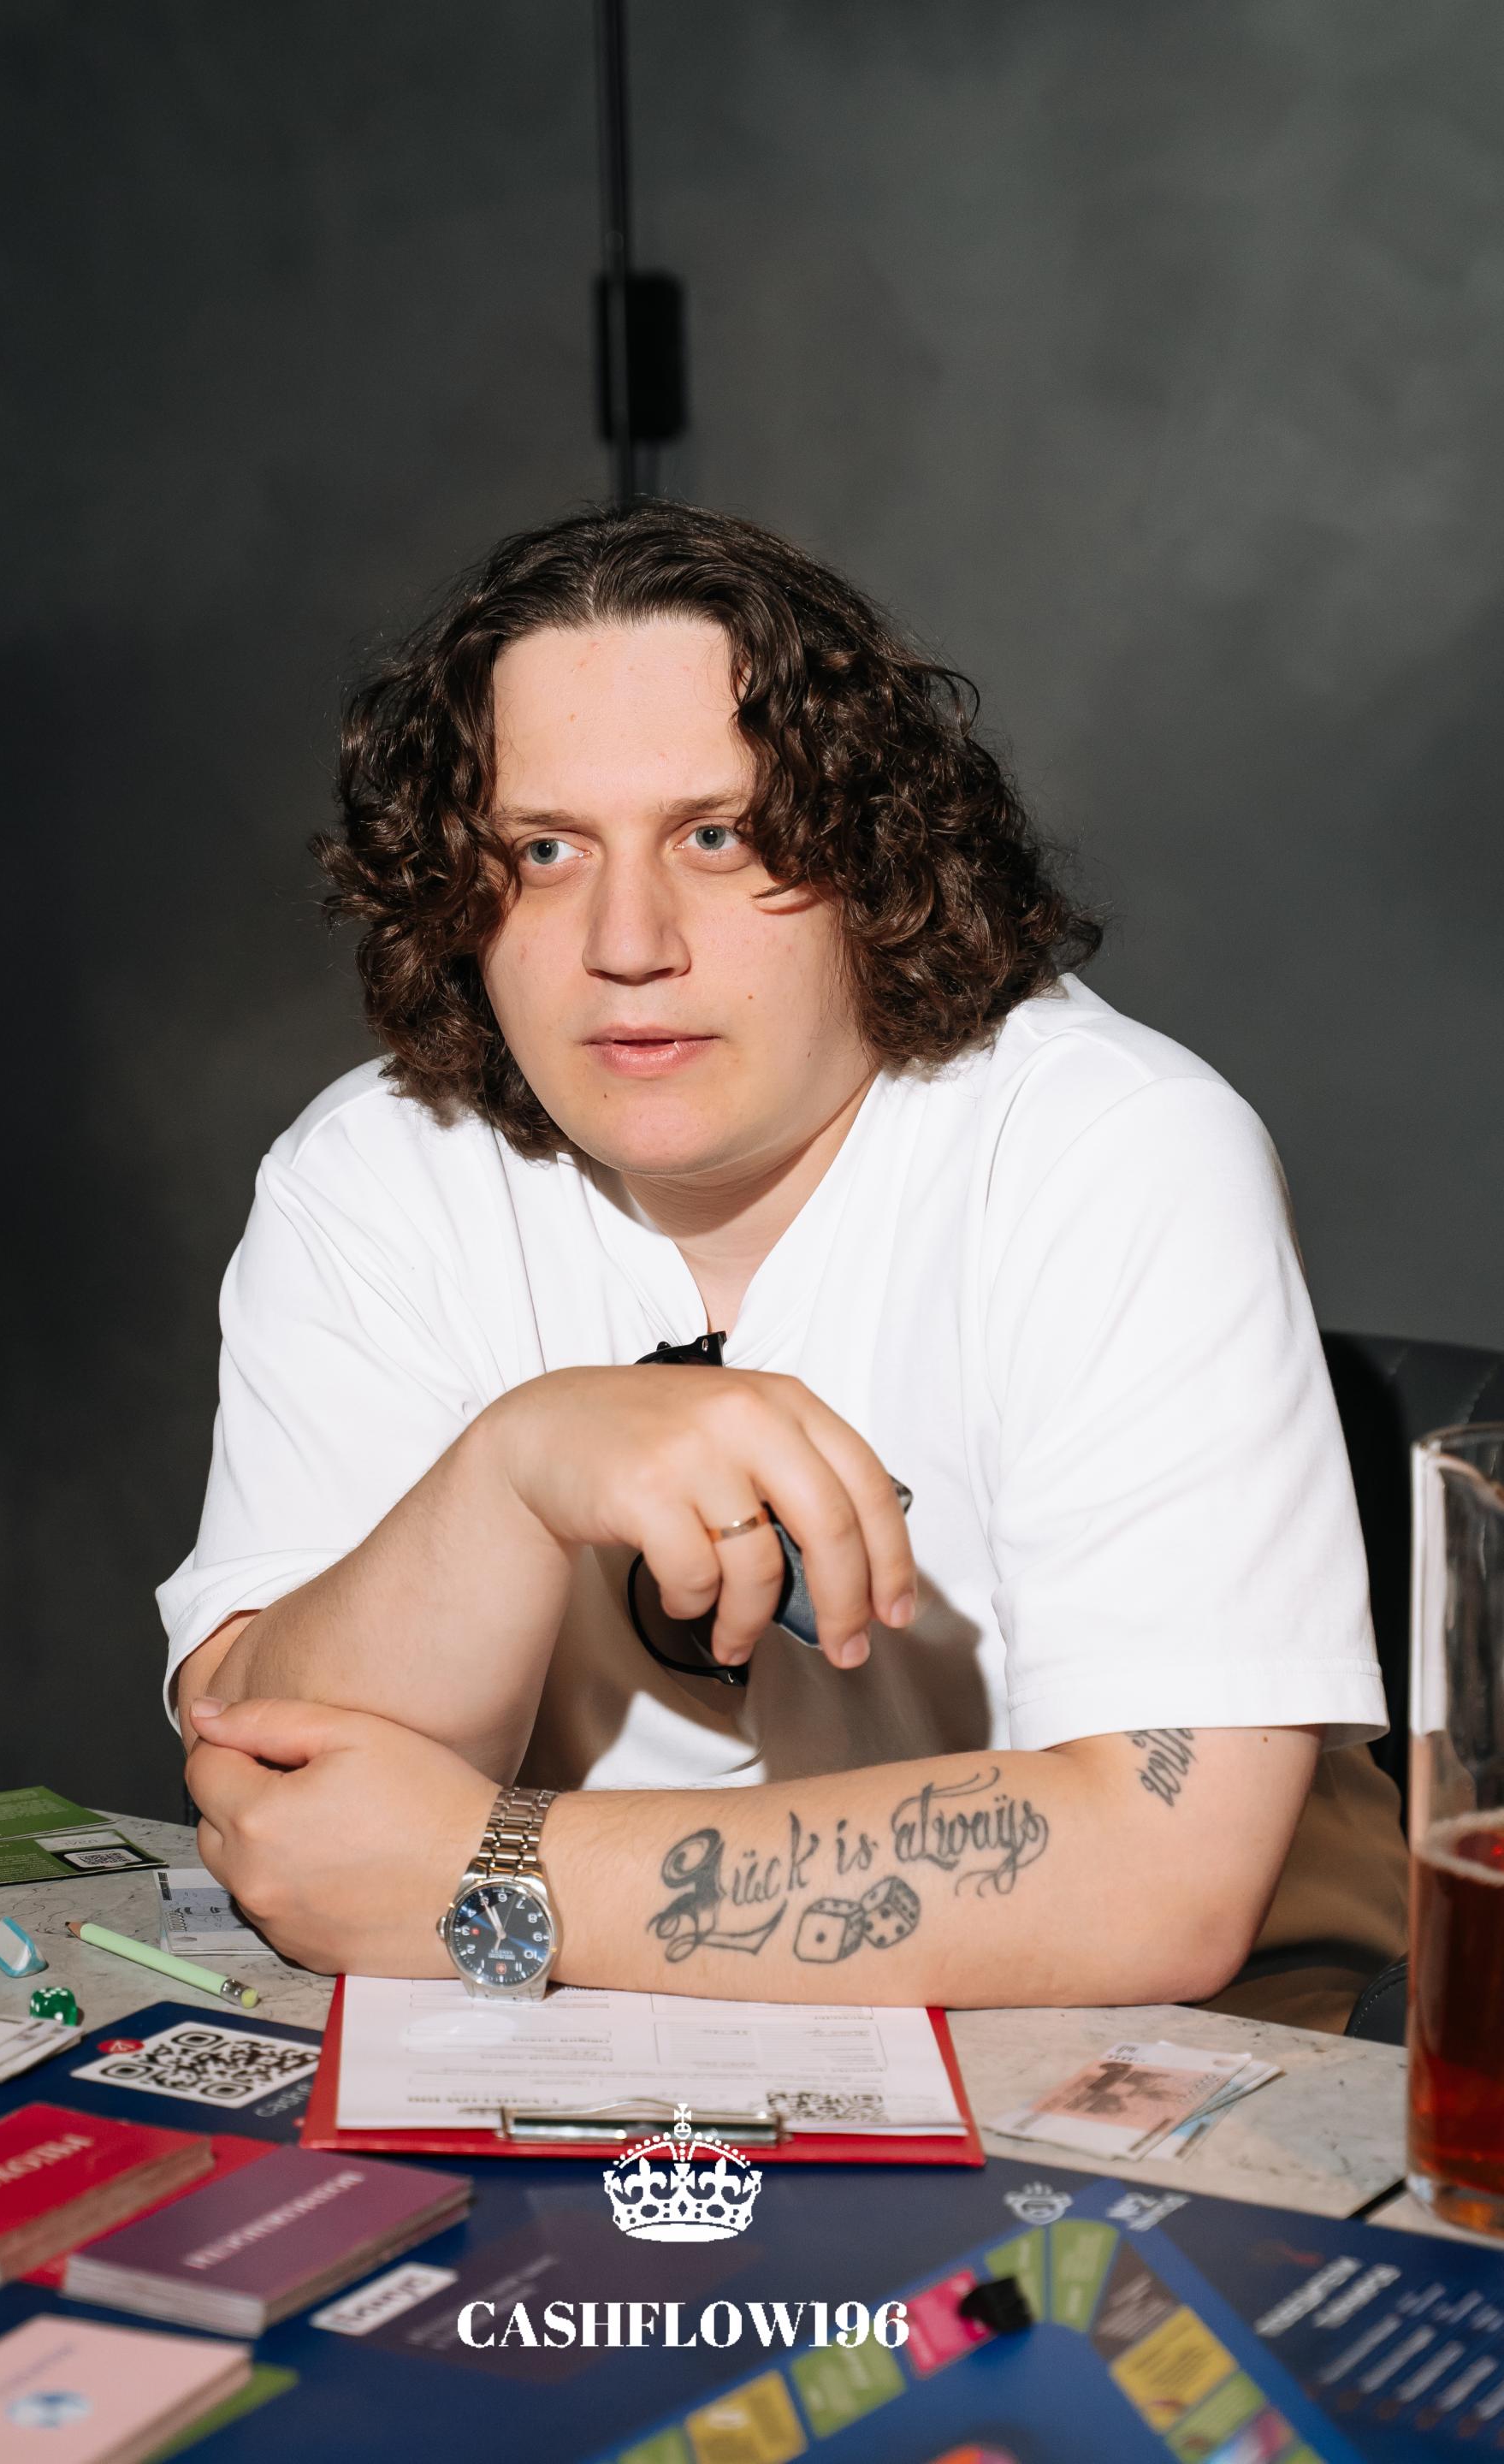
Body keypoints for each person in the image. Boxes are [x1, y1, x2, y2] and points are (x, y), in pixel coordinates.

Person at [168, 502, 1406, 2029]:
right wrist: (509, 1474)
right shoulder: (371, 1171)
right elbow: (282, 1795)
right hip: (601, 2053)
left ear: (875, 858)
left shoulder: (1119, 1147)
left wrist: (494, 1871)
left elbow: (1162, 1888)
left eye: (719, 837)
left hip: (1169, 2062)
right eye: (546, 851)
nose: (629, 941)